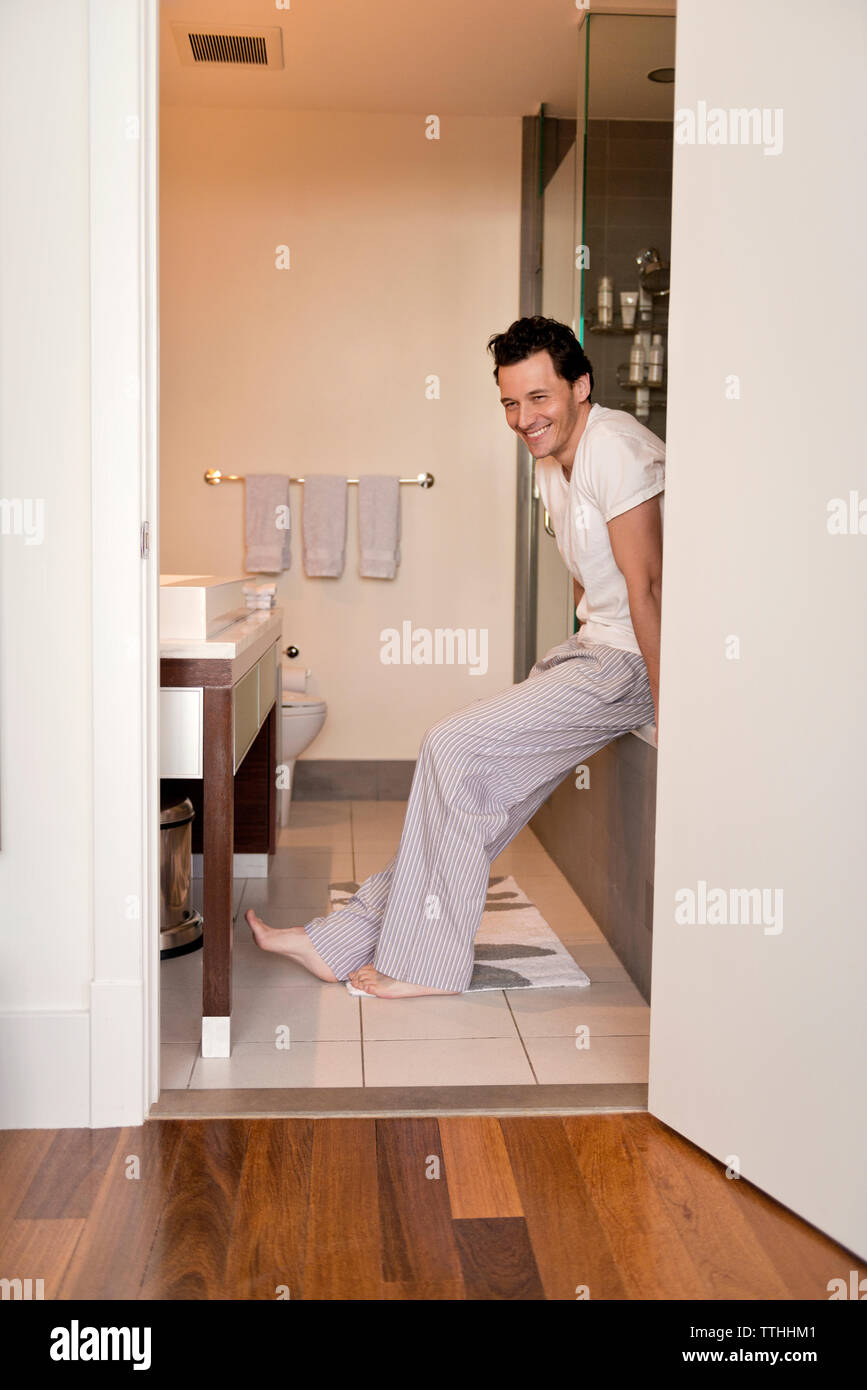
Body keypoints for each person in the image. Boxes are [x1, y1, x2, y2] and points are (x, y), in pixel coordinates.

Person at [247, 316, 664, 998]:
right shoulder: (553, 464)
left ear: (579, 386)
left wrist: (667, 704)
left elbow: (645, 586)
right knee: (470, 795)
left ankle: (424, 967)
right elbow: (591, 580)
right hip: (595, 652)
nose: (523, 417)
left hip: (624, 666)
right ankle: (341, 940)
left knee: (450, 745)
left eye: (538, 397)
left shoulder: (612, 446)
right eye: (509, 401)